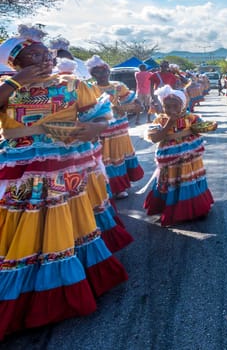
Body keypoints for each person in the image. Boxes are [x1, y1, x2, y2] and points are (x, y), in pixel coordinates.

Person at [0, 25, 128, 340]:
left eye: (46, 54)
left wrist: (94, 128)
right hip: (25, 165)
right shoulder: (7, 85)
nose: (44, 58)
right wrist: (18, 82)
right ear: (15, 63)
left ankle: (71, 280)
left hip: (66, 160)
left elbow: (100, 113)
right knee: (24, 218)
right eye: (33, 55)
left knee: (66, 216)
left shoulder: (71, 82)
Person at [143, 85, 216, 226]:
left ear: (182, 105)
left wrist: (211, 126)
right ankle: (172, 208)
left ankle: (194, 209)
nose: (171, 110)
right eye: (167, 106)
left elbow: (201, 127)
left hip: (189, 158)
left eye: (175, 106)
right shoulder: (160, 120)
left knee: (188, 179)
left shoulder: (191, 118)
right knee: (171, 180)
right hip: (169, 160)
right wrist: (169, 122)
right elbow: (154, 138)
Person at [86, 55, 145, 200]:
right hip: (101, 130)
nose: (102, 74)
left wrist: (133, 106)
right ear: (92, 74)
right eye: (97, 72)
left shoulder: (118, 86)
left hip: (119, 129)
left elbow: (134, 102)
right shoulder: (89, 89)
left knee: (117, 157)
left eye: (104, 70)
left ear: (108, 70)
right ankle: (106, 189)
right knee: (104, 159)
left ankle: (119, 188)